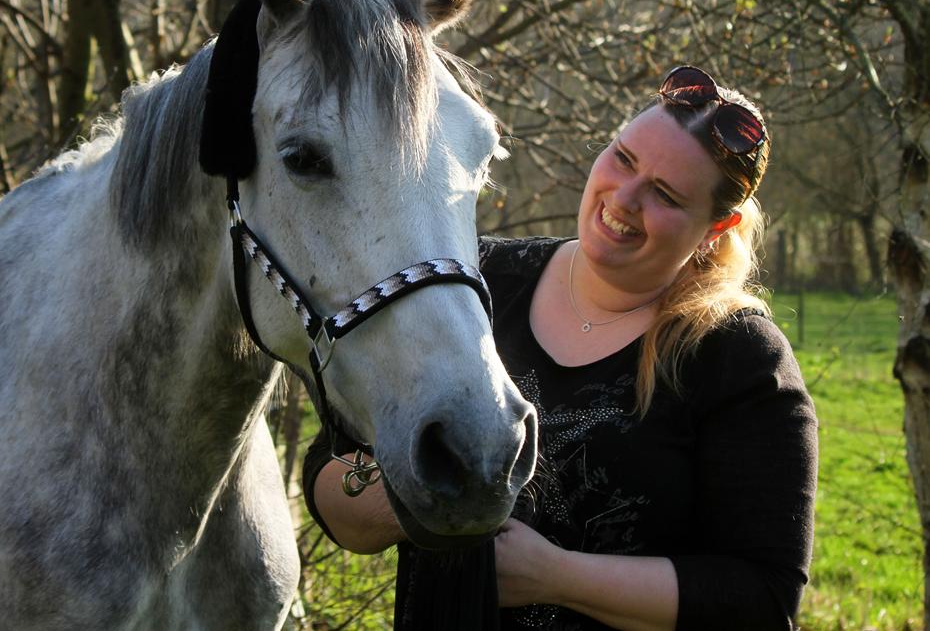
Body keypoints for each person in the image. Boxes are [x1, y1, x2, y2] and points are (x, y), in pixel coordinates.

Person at [302, 65, 818, 630]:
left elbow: (762, 598)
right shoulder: (476, 281)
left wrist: (555, 575)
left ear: (716, 229)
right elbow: (329, 473)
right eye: (623, 158)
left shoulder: (737, 357)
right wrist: (430, 490)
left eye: (665, 194)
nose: (623, 199)